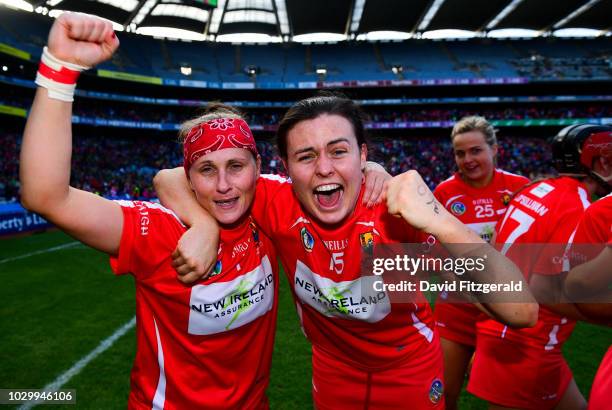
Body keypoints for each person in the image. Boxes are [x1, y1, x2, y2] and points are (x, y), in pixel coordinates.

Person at [155, 94, 538, 409]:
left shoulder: (395, 212)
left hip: (409, 368)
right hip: (333, 370)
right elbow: (171, 177)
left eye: (339, 151)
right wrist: (203, 224)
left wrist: (442, 221)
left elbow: (520, 310)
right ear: (285, 167)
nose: (323, 168)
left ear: (362, 154)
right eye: (306, 156)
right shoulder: (272, 200)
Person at [19, 13, 280, 409]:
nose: (224, 185)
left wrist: (381, 174)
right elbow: (46, 197)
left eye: (236, 166)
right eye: (207, 170)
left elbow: (338, 182)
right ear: (189, 177)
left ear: (258, 169)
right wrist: (60, 68)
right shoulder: (158, 231)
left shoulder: (274, 210)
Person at [468, 124, 612, 410]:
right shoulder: (577, 206)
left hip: (505, 327)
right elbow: (550, 289)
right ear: (593, 160)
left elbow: (495, 248)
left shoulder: (533, 188)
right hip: (529, 341)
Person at [432, 116, 529, 408]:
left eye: (475, 150)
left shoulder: (519, 188)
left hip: (504, 312)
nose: (467, 159)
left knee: (503, 397)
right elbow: (440, 260)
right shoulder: (444, 193)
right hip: (457, 311)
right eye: (460, 153)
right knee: (443, 394)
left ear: (494, 149)